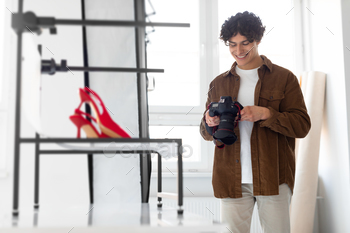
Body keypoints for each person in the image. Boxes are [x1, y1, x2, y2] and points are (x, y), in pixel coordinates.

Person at [199, 11, 311, 233]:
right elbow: (205, 132)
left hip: (273, 177)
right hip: (231, 177)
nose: (238, 51)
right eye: (232, 45)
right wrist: (208, 121)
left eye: (245, 43)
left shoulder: (284, 78)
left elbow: (302, 125)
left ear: (258, 40)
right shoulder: (218, 83)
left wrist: (267, 114)